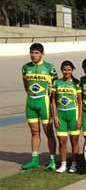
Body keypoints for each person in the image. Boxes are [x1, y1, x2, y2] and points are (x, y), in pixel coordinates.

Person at [21, 43, 58, 171]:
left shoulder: (49, 67)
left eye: (36, 53)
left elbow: (55, 87)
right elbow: (26, 84)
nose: (33, 55)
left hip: (45, 103)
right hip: (31, 102)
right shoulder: (25, 67)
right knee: (34, 132)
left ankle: (53, 160)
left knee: (49, 132)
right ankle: (34, 159)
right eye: (31, 52)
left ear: (42, 54)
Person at [51, 61, 82, 173]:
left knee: (74, 141)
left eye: (69, 69)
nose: (66, 72)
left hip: (73, 114)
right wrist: (55, 116)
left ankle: (74, 164)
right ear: (61, 70)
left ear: (72, 70)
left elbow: (80, 101)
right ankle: (63, 164)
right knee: (62, 141)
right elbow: (53, 100)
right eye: (64, 69)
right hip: (61, 116)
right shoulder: (56, 83)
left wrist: (79, 118)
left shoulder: (76, 83)